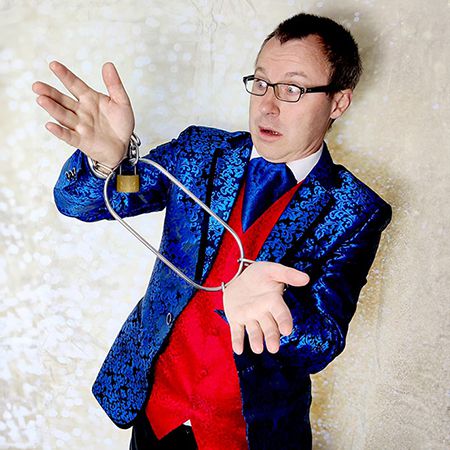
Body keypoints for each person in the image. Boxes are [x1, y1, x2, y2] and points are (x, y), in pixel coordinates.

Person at [32, 12, 392, 450]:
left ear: (337, 103)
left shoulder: (355, 210)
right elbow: (100, 199)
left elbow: (323, 342)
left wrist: (277, 310)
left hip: (251, 436)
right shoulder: (200, 153)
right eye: (261, 83)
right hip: (156, 416)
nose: (268, 105)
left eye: (292, 89)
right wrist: (110, 163)